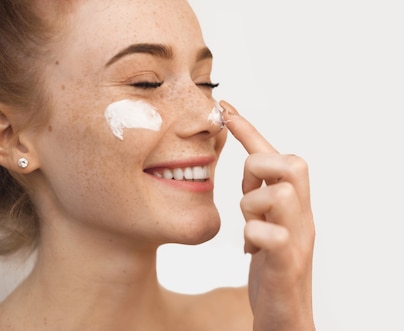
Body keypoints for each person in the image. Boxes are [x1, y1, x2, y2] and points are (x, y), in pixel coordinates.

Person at [0, 0, 316, 330]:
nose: (208, 117)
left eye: (205, 82)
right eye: (146, 83)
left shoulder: (252, 320)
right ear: (12, 136)